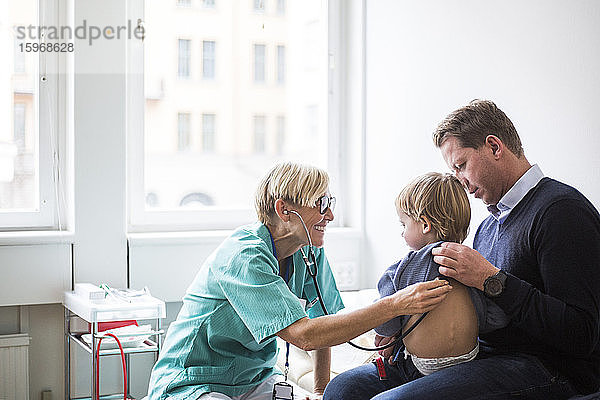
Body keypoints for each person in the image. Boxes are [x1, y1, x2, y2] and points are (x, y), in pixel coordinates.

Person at [324, 100, 600, 400]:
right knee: (343, 389)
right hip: (486, 358)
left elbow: (582, 333)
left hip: (549, 368)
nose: (461, 181)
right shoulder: (488, 227)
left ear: (494, 147)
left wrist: (489, 279)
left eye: (461, 166)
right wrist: (402, 335)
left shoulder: (561, 211)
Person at [146, 162, 452, 400]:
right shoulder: (244, 256)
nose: (330, 214)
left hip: (255, 380)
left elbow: (327, 323)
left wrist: (321, 390)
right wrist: (394, 305)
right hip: (196, 380)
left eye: (330, 202)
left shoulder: (309, 252)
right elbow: (305, 336)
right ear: (284, 210)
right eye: (320, 203)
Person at [374, 172, 507, 377]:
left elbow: (384, 321)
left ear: (425, 224)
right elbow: (496, 318)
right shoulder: (475, 265)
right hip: (468, 362)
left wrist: (391, 332)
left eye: (404, 224)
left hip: (419, 366)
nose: (402, 232)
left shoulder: (401, 269)